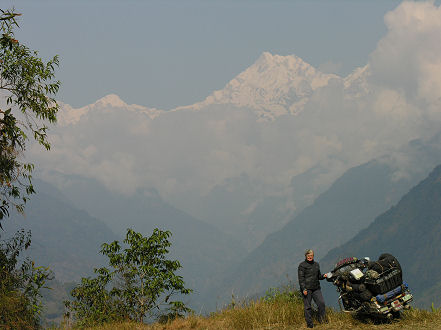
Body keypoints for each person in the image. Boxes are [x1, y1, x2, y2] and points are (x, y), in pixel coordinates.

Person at [298, 249, 327, 328]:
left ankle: (322, 320)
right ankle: (310, 325)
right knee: (308, 307)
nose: (310, 257)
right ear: (306, 256)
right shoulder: (302, 265)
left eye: (311, 255)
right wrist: (304, 289)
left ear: (313, 256)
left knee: (321, 303)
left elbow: (319, 276)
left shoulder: (316, 264)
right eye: (308, 256)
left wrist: (324, 276)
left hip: (316, 288)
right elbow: (301, 279)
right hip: (307, 289)